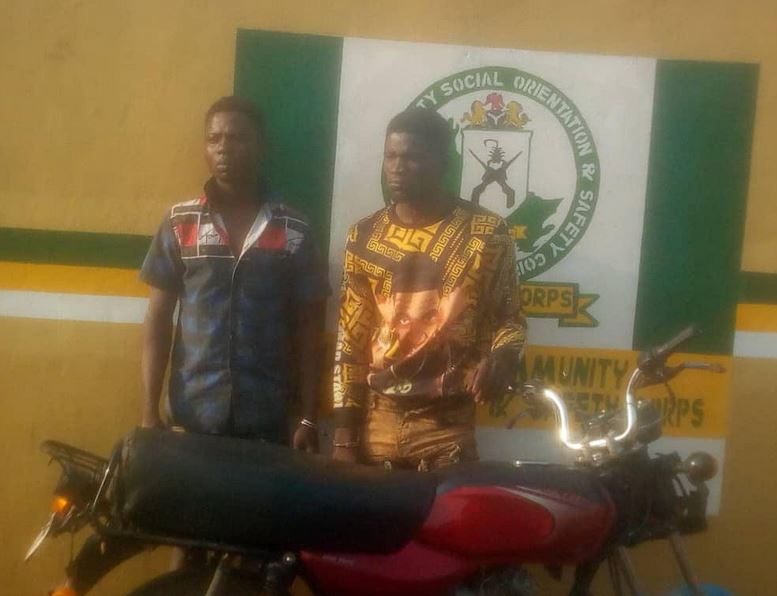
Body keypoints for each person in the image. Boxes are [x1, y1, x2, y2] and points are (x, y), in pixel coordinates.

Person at [331, 107, 527, 470]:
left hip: (446, 428)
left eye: (412, 158)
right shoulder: (364, 236)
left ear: (442, 164)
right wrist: (344, 437)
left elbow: (509, 319)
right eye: (390, 156)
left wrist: (503, 358)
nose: (397, 168)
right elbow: (350, 340)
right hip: (377, 422)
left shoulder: (486, 234)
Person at [140, 96, 329, 451]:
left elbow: (309, 330)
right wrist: (149, 410)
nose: (224, 149)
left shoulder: (293, 228)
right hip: (193, 416)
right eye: (214, 139)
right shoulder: (180, 222)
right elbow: (158, 319)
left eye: (237, 138)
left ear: (261, 146)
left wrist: (308, 416)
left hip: (268, 419)